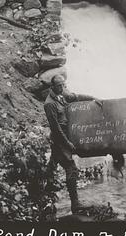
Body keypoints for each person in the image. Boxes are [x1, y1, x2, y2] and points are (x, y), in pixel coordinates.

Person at [43, 74, 101, 214]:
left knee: (52, 166)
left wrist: (93, 98)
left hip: (64, 137)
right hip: (59, 140)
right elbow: (55, 128)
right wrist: (68, 143)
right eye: (59, 86)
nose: (62, 88)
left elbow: (76, 96)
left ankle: (44, 194)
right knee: (71, 168)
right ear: (52, 87)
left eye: (63, 85)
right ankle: (75, 204)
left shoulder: (61, 94)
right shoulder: (50, 104)